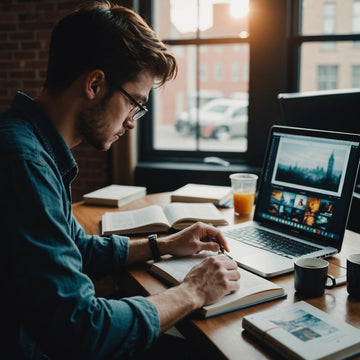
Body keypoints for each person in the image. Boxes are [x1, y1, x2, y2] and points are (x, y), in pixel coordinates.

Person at [0, 2, 240, 359]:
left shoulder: (27, 142)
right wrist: (194, 291)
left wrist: (164, 245)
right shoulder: (25, 163)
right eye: (135, 103)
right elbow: (83, 329)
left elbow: (74, 247)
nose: (131, 122)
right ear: (95, 84)